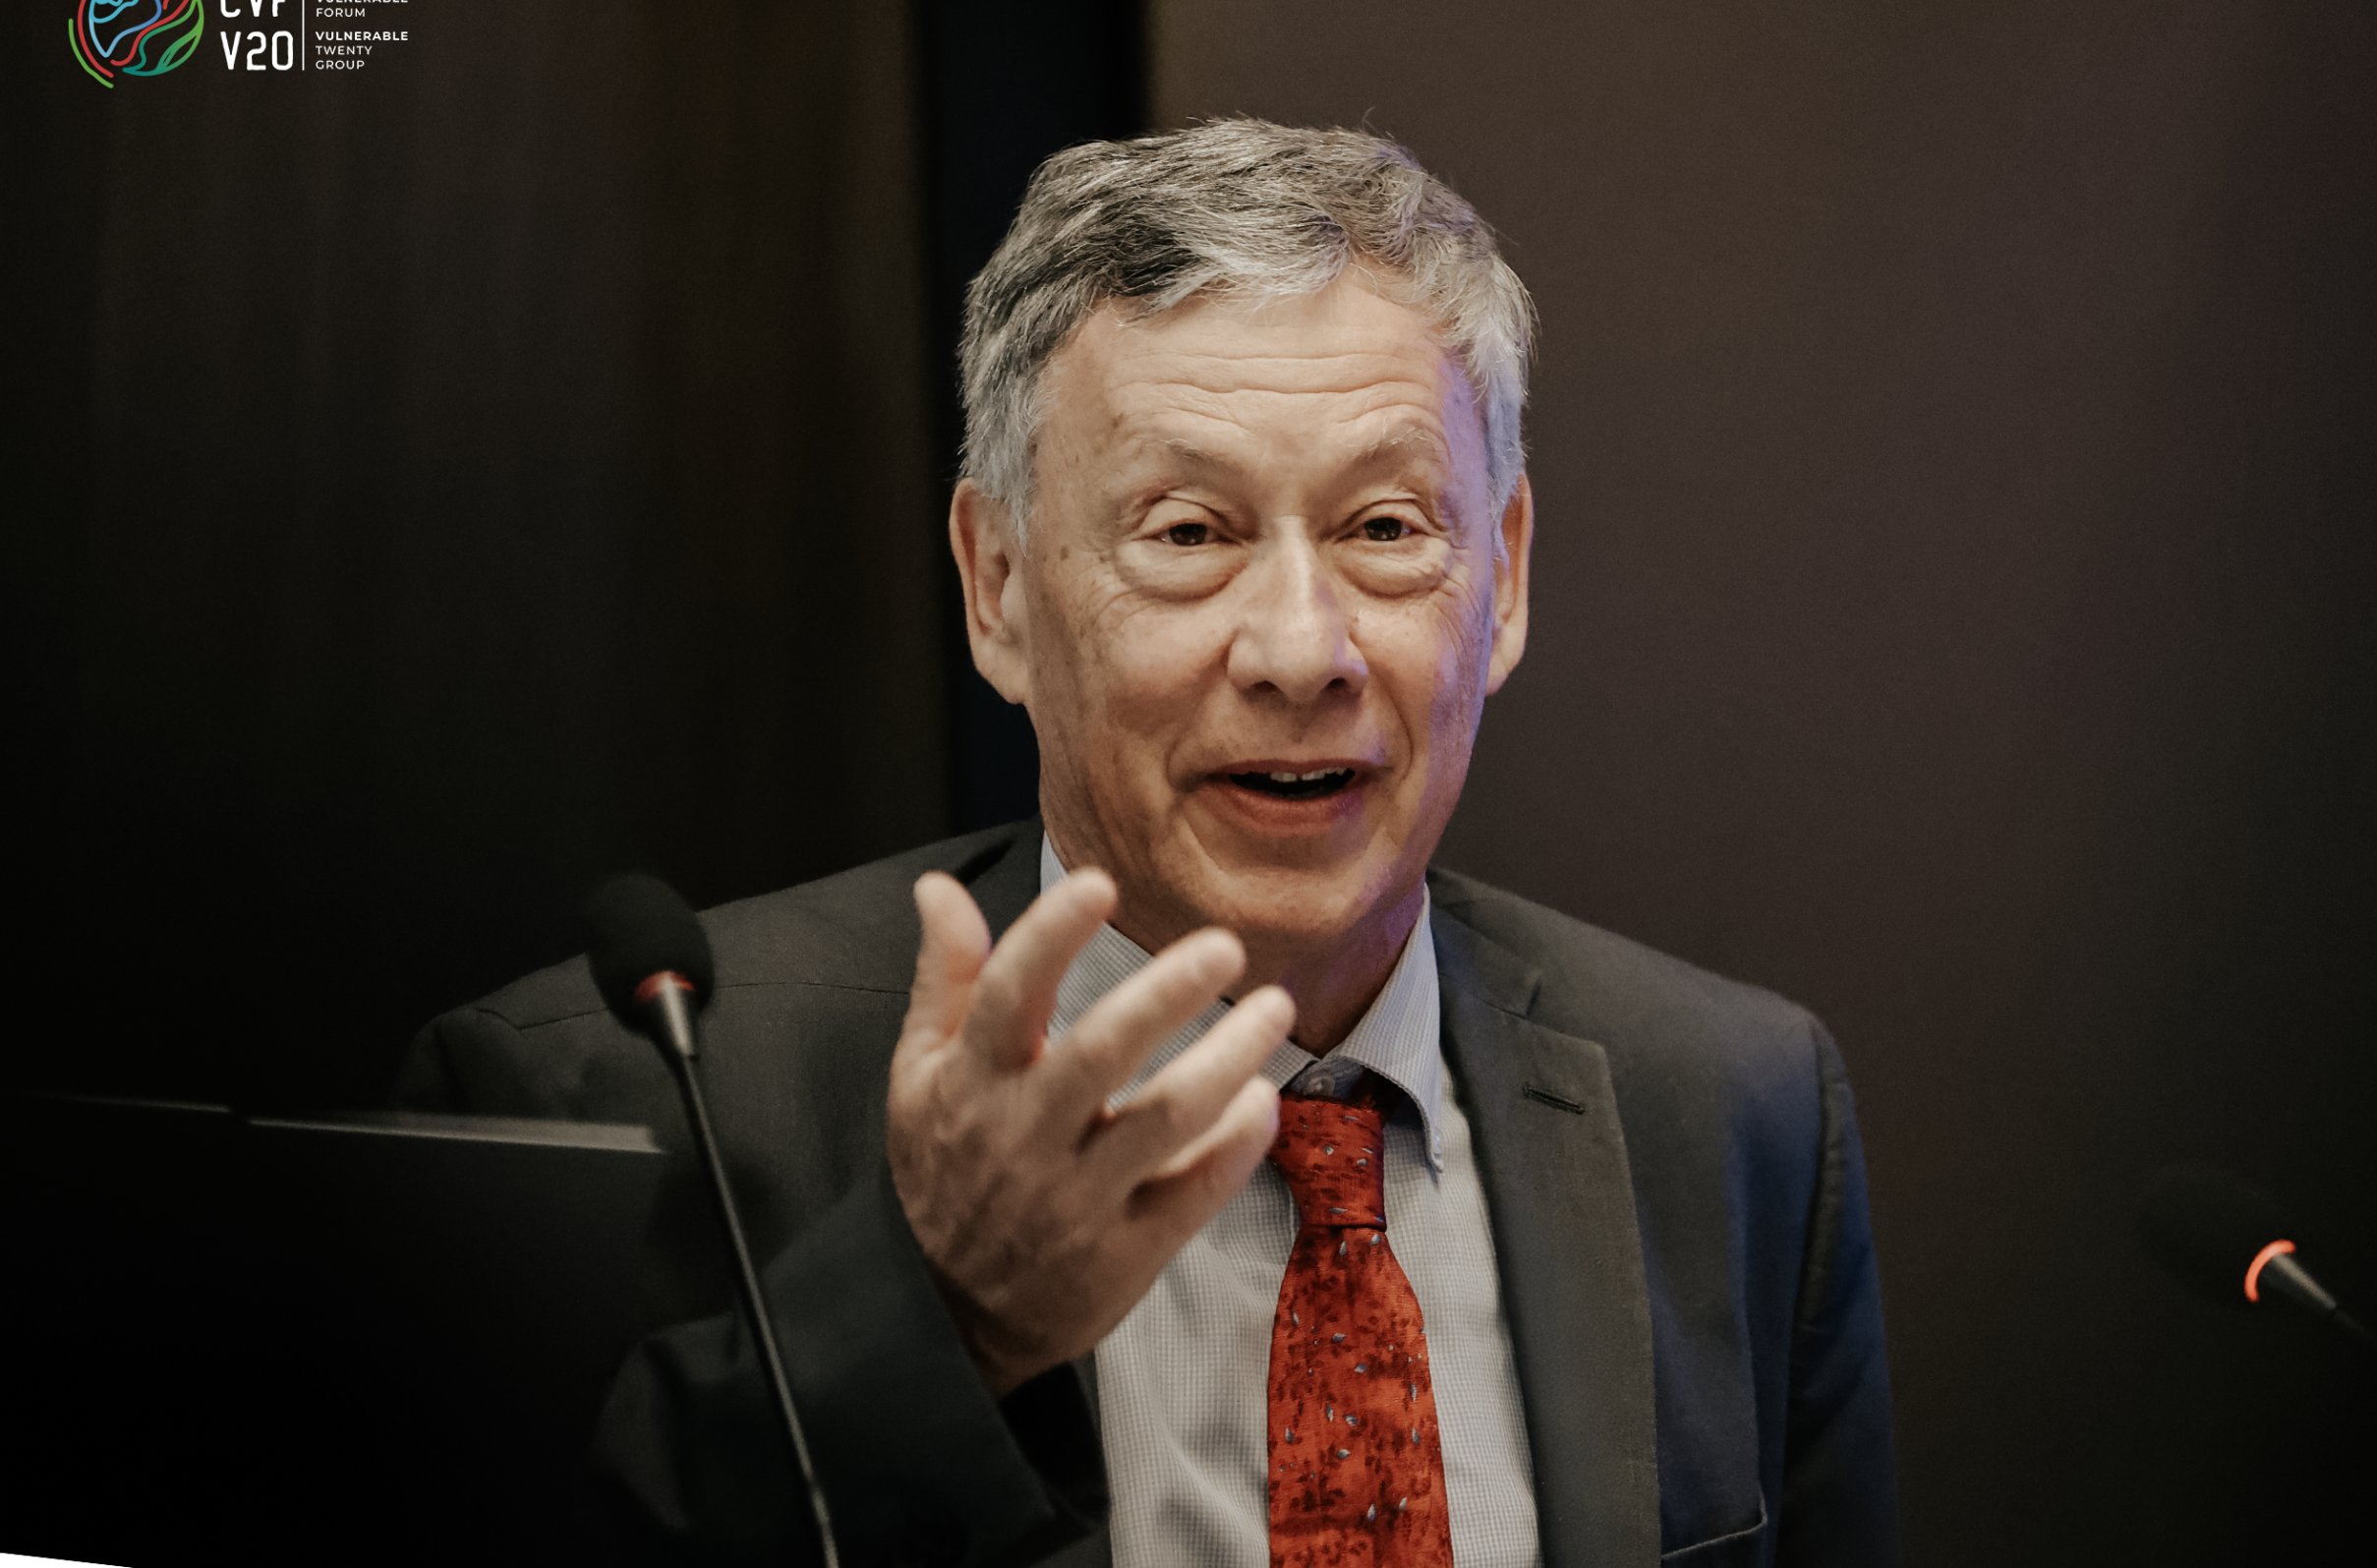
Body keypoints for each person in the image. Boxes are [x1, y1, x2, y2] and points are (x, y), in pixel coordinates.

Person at [396, 120, 1895, 1567]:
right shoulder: (613, 1108)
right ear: (997, 588)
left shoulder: (1735, 1110)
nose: (1301, 651)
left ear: (1499, 580)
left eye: (1386, 528)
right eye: (1188, 533)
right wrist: (946, 1315)